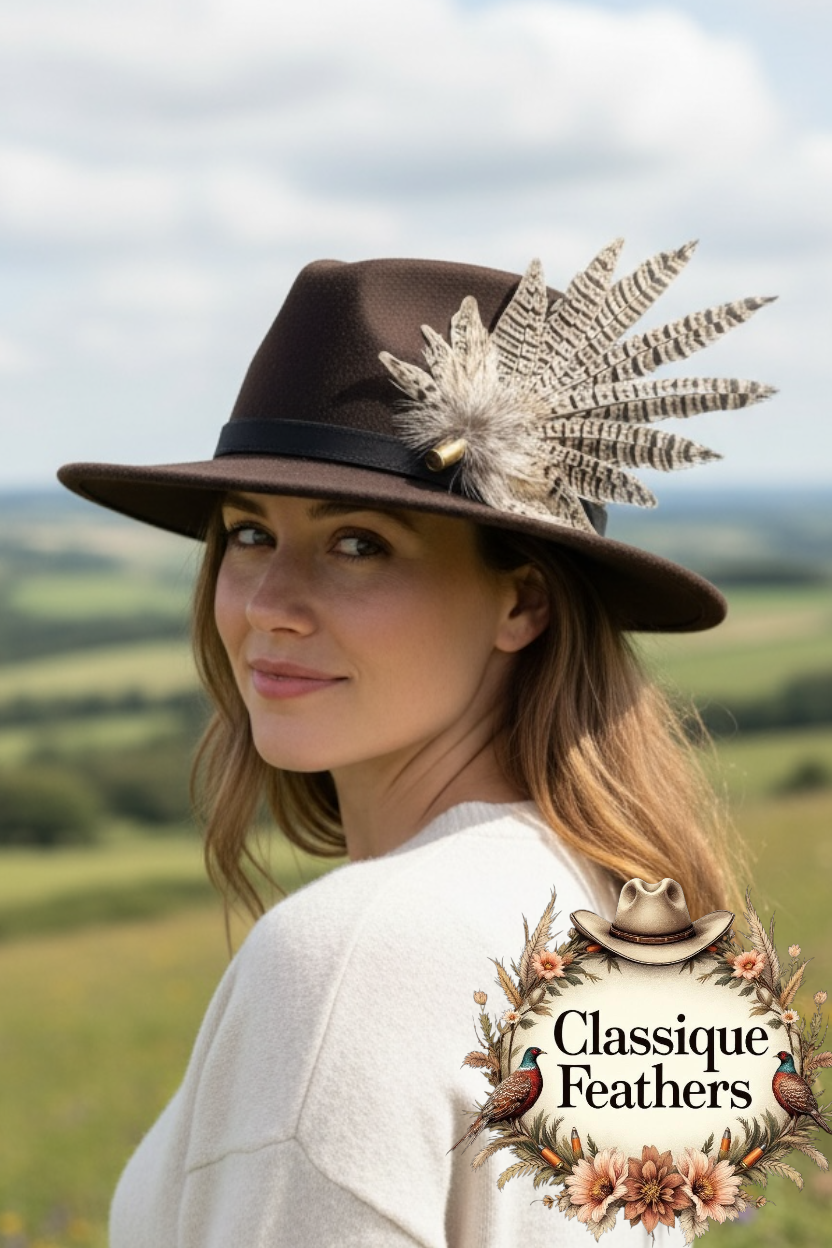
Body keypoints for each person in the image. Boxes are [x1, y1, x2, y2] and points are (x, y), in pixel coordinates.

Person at [58, 241, 774, 1246]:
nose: (268, 604)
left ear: (521, 602)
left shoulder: (353, 954)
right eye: (249, 532)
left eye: (359, 543)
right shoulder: (599, 919)